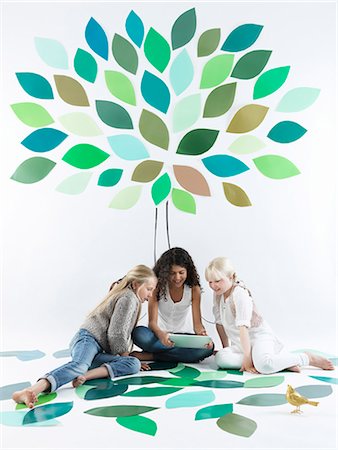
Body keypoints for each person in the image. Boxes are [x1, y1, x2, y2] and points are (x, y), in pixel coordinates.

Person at [12, 265, 157, 408]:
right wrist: (124, 356)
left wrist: (128, 359)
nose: (150, 295)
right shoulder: (128, 298)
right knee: (80, 365)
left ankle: (84, 376)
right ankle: (31, 390)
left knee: (133, 364)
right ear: (136, 284)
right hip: (88, 339)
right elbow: (116, 333)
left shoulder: (130, 297)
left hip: (98, 350)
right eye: (149, 289)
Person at [205, 257, 334, 374]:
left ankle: (306, 358)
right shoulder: (218, 295)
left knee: (264, 366)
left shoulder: (239, 294)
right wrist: (227, 349)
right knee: (221, 358)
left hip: (258, 338)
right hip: (242, 344)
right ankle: (281, 362)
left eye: (217, 281)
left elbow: (243, 328)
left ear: (231, 277)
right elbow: (219, 323)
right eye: (210, 282)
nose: (213, 286)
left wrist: (247, 358)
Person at [131, 248, 214, 362]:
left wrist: (203, 337)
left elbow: (198, 325)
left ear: (187, 271)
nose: (177, 278)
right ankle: (177, 355)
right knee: (138, 333)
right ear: (165, 272)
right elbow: (152, 323)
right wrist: (161, 335)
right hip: (158, 336)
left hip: (183, 337)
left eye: (181, 272)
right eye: (172, 273)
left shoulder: (194, 290)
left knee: (209, 348)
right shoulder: (157, 287)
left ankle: (153, 356)